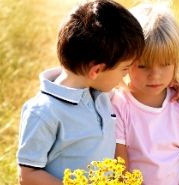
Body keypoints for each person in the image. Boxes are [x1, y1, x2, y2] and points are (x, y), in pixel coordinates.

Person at [17, 0, 145, 184]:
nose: (125, 78)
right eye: (124, 69)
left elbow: (138, 94)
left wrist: (171, 86)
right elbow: (27, 174)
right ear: (96, 71)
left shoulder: (101, 95)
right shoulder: (44, 112)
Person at [112, 3, 179, 185]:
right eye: (143, 65)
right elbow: (120, 170)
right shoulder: (118, 106)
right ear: (127, 61)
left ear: (176, 61)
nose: (155, 75)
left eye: (164, 64)